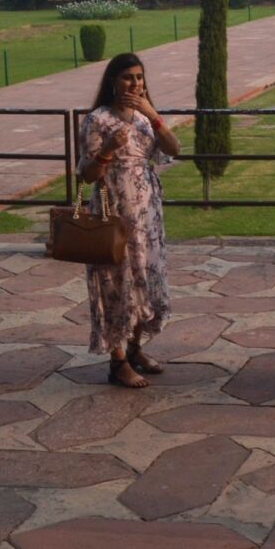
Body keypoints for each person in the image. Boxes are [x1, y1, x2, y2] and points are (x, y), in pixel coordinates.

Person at [77, 54, 181, 389]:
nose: (135, 84)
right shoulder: (98, 120)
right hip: (115, 210)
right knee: (117, 282)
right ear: (113, 81)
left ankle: (136, 348)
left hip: (147, 212)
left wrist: (153, 115)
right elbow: (87, 174)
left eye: (139, 77)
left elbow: (174, 149)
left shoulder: (143, 118)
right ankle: (117, 361)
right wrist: (107, 150)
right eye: (127, 78)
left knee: (145, 279)